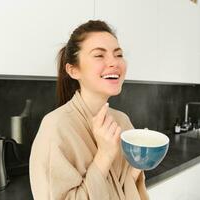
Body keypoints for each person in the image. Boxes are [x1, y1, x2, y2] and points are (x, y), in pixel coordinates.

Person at [29, 20, 149, 200]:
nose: (114, 62)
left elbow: (125, 189)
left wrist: (138, 164)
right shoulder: (55, 128)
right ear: (73, 70)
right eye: (99, 55)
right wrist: (104, 155)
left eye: (118, 54)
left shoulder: (122, 121)